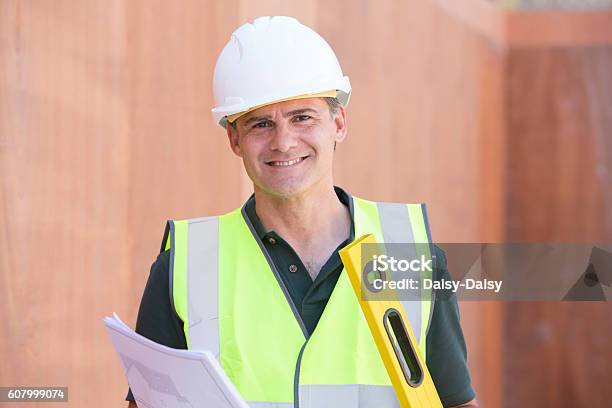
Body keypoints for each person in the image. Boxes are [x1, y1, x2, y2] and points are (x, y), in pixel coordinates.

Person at [126, 16, 477, 408]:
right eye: (261, 124)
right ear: (234, 139)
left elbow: (455, 401)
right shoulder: (183, 268)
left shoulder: (411, 254)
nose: (284, 142)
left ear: (338, 123)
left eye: (302, 117)